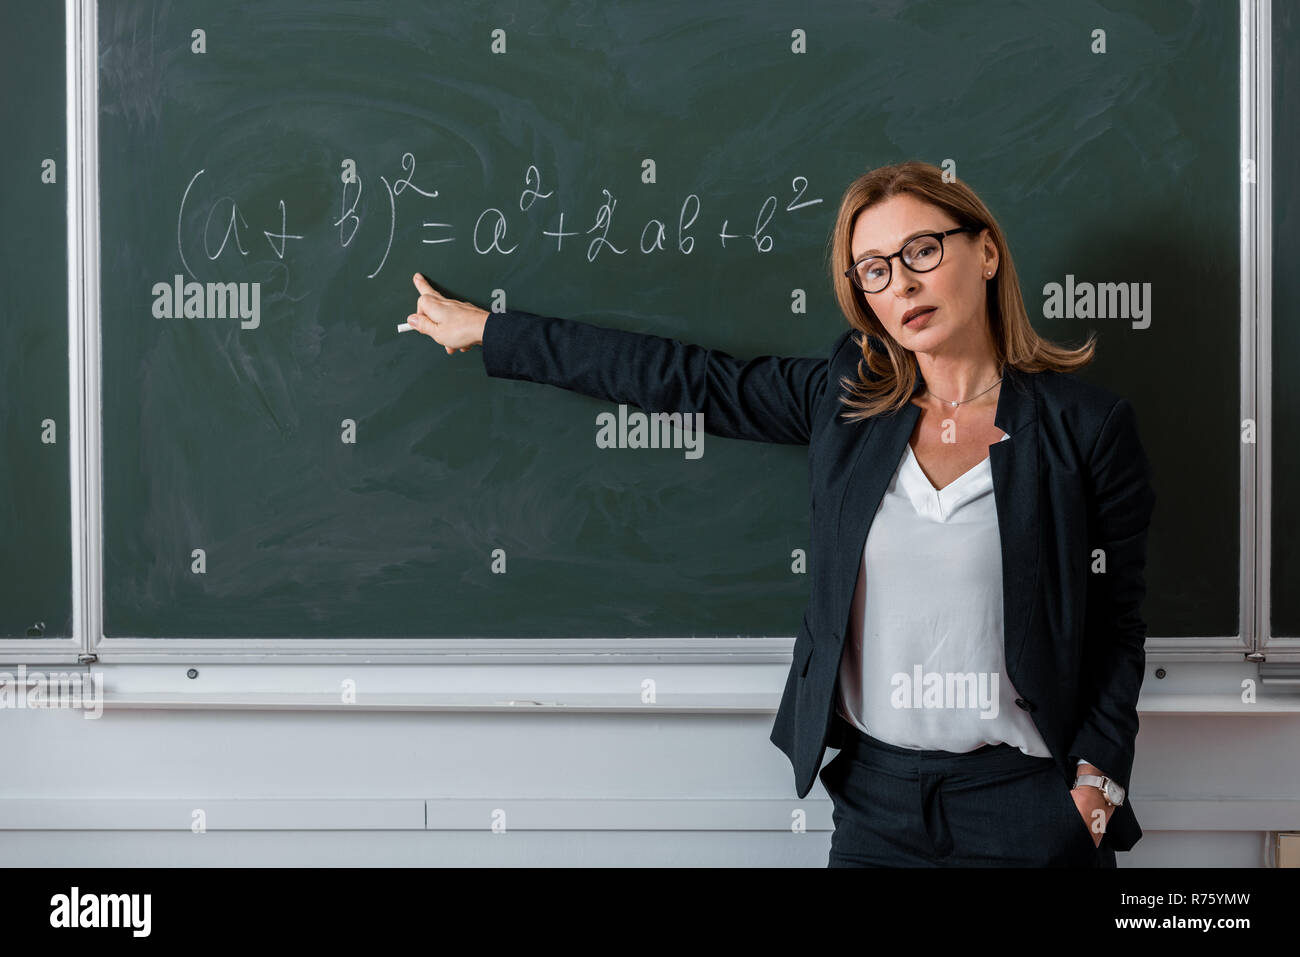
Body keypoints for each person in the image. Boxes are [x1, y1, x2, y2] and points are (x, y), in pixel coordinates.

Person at [402, 160, 1156, 868]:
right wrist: (494, 331)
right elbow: (687, 379)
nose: (903, 284)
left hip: (1026, 805)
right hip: (878, 804)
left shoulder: (1083, 428)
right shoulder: (848, 401)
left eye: (923, 250)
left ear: (985, 252)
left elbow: (1118, 625)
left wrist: (1093, 789)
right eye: (876, 270)